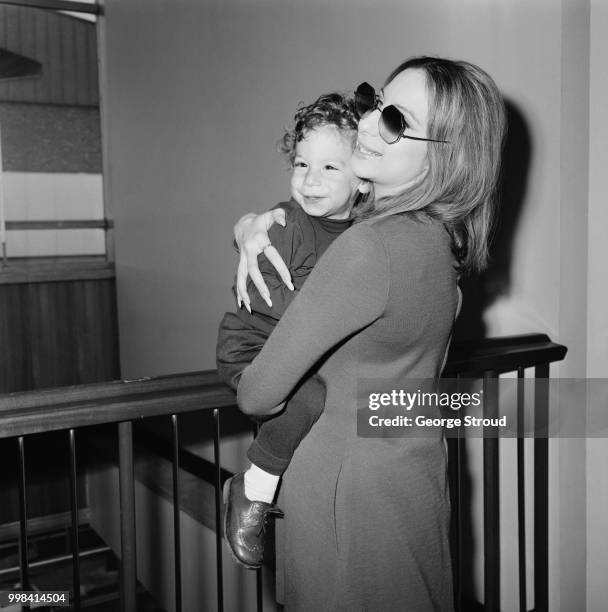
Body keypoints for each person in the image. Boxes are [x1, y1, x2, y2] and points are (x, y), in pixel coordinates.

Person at [233, 56, 506, 611]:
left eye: (395, 120)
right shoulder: (440, 244)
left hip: (345, 490)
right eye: (374, 101)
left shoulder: (370, 248)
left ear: (445, 155)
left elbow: (257, 392)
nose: (367, 121)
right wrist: (251, 225)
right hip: (412, 472)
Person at [217, 92, 368, 568]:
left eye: (329, 168)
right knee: (306, 399)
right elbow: (257, 294)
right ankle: (252, 490)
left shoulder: (364, 233)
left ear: (362, 179)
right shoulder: (287, 224)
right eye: (301, 164)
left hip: (297, 353)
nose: (309, 180)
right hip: (253, 347)